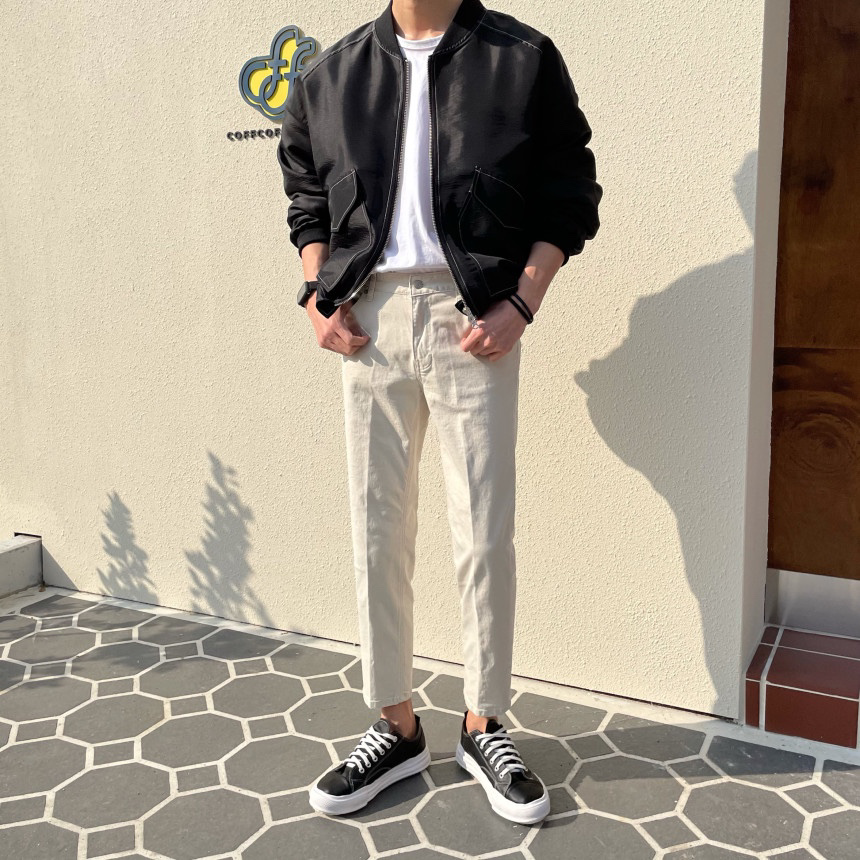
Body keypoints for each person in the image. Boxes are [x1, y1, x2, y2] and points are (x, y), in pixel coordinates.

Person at [277, 0, 600, 825]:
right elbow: (306, 191)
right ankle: (396, 725)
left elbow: (570, 191)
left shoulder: (520, 58)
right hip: (369, 317)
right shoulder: (332, 74)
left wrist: (522, 302)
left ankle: (484, 723)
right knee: (377, 528)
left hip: (474, 316)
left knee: (483, 530)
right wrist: (316, 292)